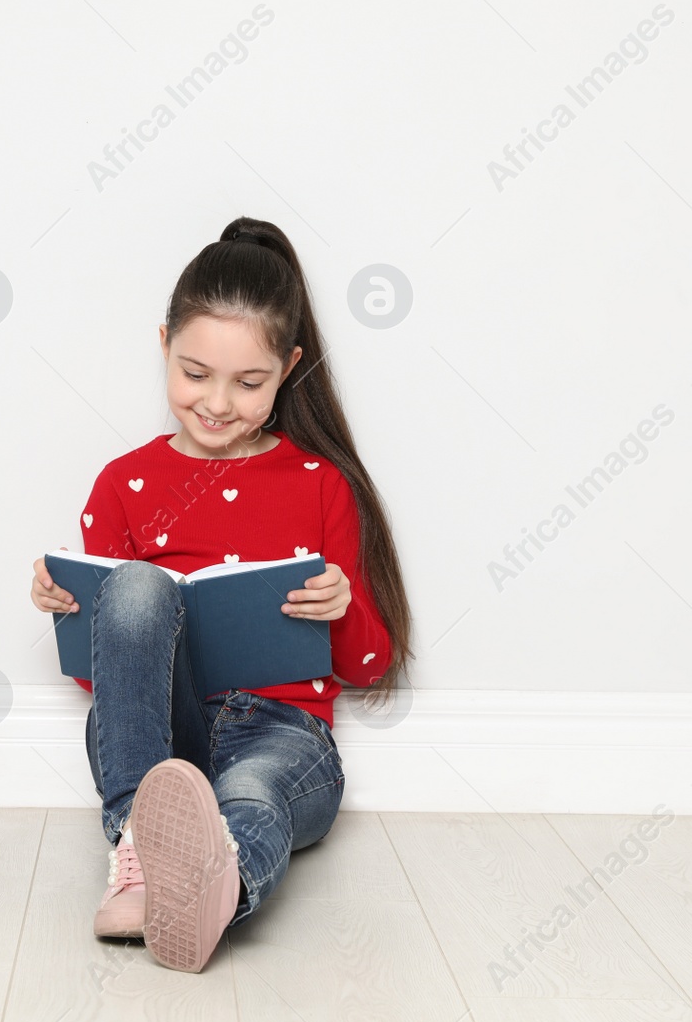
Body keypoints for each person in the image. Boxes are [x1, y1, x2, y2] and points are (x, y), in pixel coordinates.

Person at [28, 216, 413, 974]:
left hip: (283, 733)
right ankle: (141, 846)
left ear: (288, 368)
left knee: (254, 794)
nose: (217, 403)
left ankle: (208, 890)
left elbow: (369, 663)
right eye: (194, 372)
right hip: (165, 737)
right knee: (134, 588)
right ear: (164, 342)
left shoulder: (319, 483)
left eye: (249, 382)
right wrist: (80, 608)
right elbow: (100, 684)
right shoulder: (124, 483)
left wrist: (341, 605)